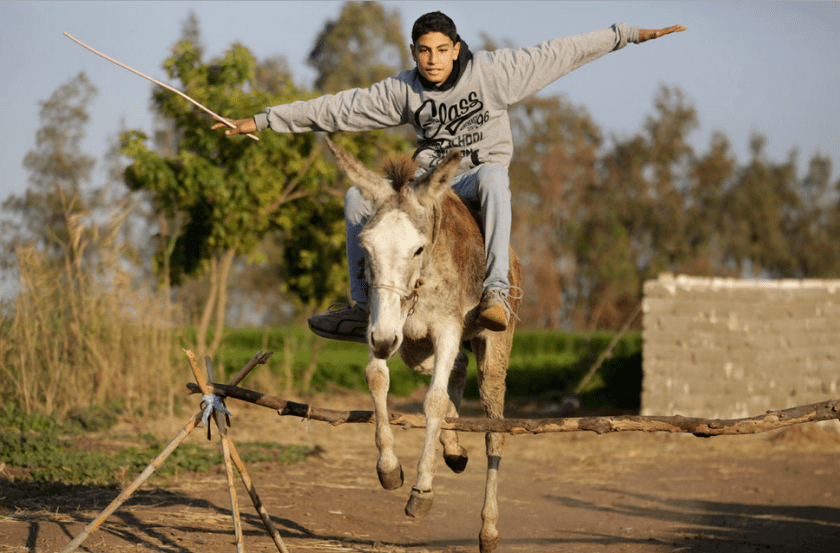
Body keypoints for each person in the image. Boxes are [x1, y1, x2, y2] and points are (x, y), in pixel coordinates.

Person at [215, 12, 685, 343]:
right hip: (428, 187)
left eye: (442, 51)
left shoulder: (496, 73)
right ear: (414, 54)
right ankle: (361, 307)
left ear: (456, 49)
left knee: (496, 179)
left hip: (476, 177)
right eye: (424, 52)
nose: (433, 60)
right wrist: (260, 119)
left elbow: (562, 52)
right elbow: (336, 106)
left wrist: (629, 34)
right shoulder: (404, 90)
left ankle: (497, 291)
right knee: (357, 201)